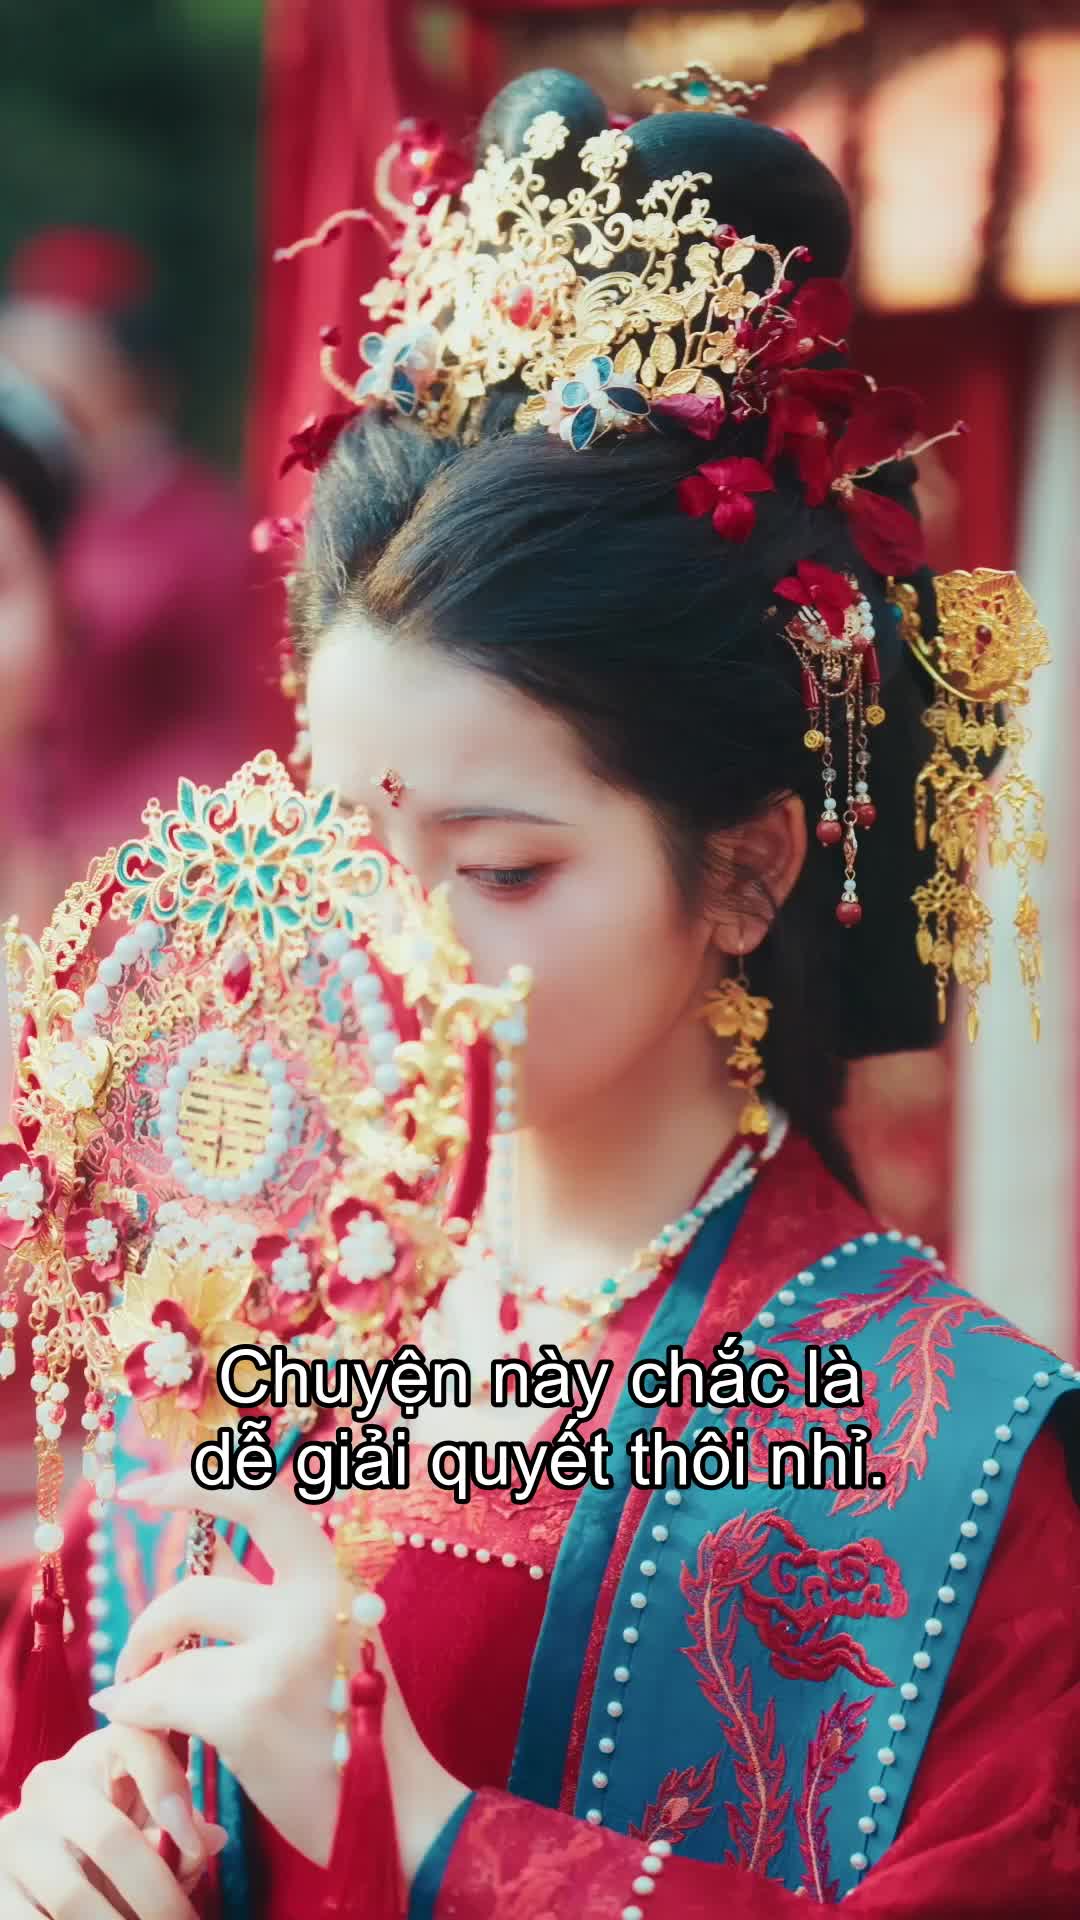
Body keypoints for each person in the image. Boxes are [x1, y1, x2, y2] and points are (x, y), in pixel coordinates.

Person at [0, 67, 1077, 1920]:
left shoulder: (943, 1459)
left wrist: (436, 1840)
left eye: (501, 872)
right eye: (348, 847)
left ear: (745, 868)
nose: (395, 947)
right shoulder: (242, 1300)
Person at [0, 226, 283, 877]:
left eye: (57, 371)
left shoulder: (206, 531)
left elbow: (235, 714)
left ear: (127, 376)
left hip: (146, 849)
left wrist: (118, 847)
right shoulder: (25, 508)